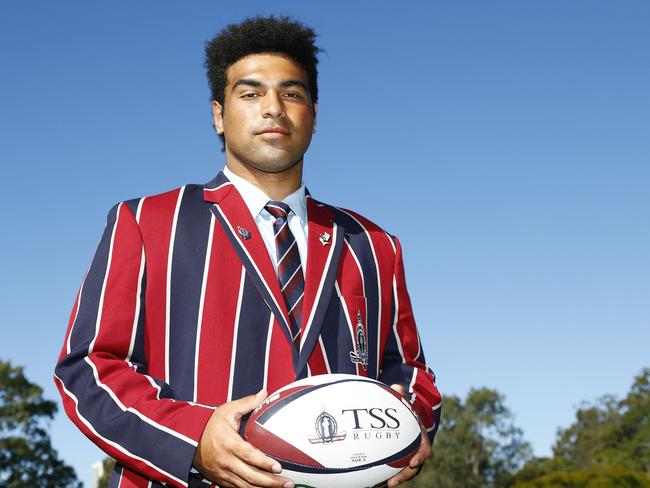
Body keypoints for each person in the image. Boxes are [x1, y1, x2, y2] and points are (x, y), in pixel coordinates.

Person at [54, 15, 442, 488]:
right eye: (251, 93)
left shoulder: (373, 244)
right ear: (219, 114)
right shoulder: (147, 222)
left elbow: (409, 369)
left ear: (314, 116)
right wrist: (192, 440)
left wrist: (409, 425)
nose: (273, 108)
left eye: (292, 93)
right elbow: (89, 367)